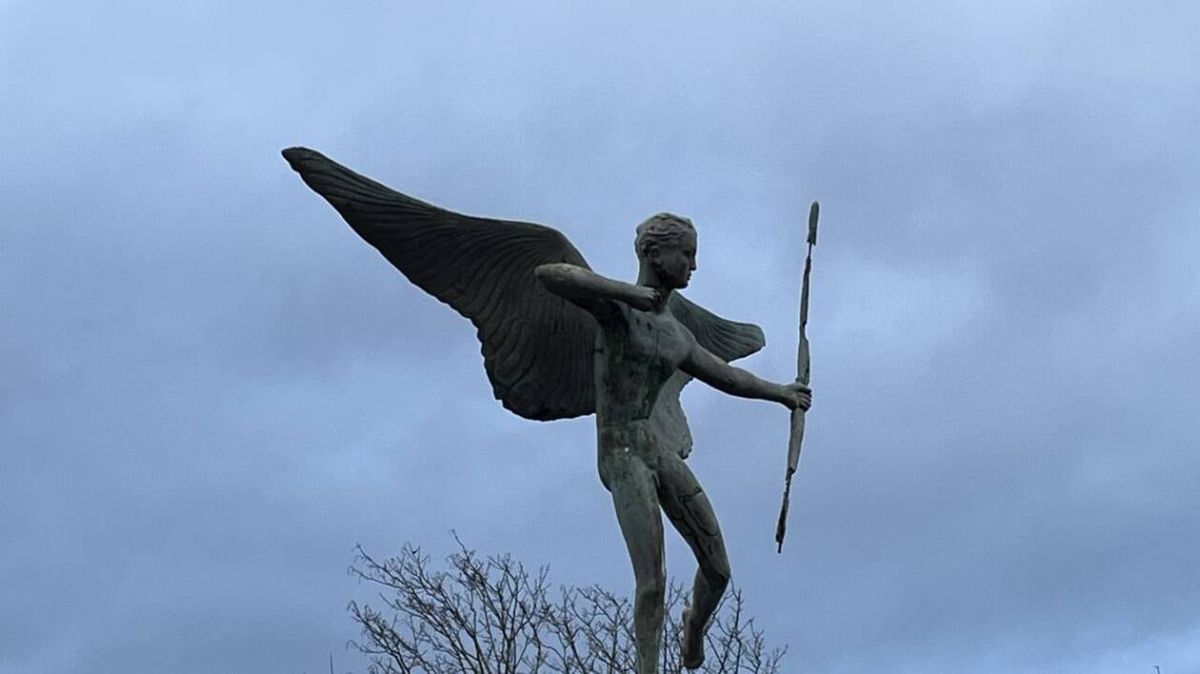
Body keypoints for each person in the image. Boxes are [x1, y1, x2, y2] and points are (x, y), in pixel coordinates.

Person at [535, 213, 811, 672]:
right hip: (621, 455)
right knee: (651, 582)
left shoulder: (674, 334)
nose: (693, 266)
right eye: (687, 254)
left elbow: (728, 377)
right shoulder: (615, 310)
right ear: (654, 253)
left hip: (655, 448)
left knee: (719, 571)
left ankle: (693, 626)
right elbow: (550, 274)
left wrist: (782, 393)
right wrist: (625, 292)